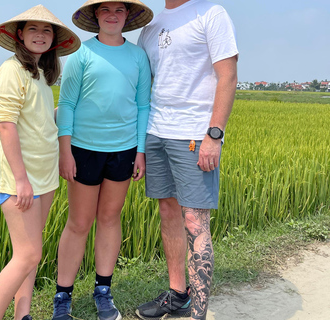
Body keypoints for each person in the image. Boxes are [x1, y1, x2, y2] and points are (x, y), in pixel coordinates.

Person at [135, 0, 238, 319]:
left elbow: (228, 75)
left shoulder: (211, 13)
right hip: (156, 132)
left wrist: (215, 134)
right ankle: (178, 294)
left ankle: (199, 313)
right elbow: (141, 84)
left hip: (194, 135)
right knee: (168, 212)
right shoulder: (151, 26)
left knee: (195, 220)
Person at [52, 1, 153, 320]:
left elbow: (143, 106)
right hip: (83, 148)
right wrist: (64, 150)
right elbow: (66, 103)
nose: (112, 15)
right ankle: (62, 296)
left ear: (127, 16)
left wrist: (140, 150)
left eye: (119, 10)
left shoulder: (138, 56)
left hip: (123, 150)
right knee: (79, 222)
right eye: (105, 9)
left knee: (110, 217)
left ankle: (103, 291)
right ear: (95, 15)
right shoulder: (81, 54)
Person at [0, 5, 80, 320]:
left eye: (46, 30)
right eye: (33, 29)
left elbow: (38, 120)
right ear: (20, 34)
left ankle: (22, 315)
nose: (40, 35)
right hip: (20, 179)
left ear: (53, 39)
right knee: (28, 255)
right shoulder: (11, 71)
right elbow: (6, 126)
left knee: (29, 254)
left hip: (45, 174)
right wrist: (21, 180)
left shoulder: (40, 75)